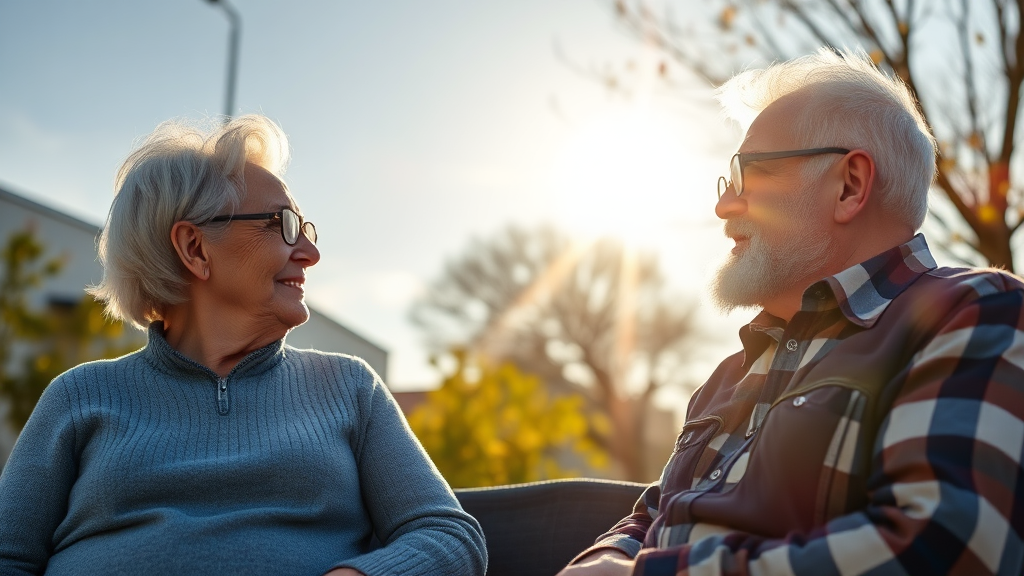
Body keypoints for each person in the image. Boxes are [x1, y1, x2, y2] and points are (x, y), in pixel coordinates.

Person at [559, 49, 1024, 576]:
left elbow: (946, 548)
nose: (723, 206)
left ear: (849, 186)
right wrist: (603, 559)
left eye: (749, 173)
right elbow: (648, 519)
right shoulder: (727, 378)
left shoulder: (972, 313)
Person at [0, 115, 487, 576]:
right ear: (194, 248)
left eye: (306, 229)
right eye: (284, 225)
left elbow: (448, 536)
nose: (311, 254)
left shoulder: (349, 388)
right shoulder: (78, 396)